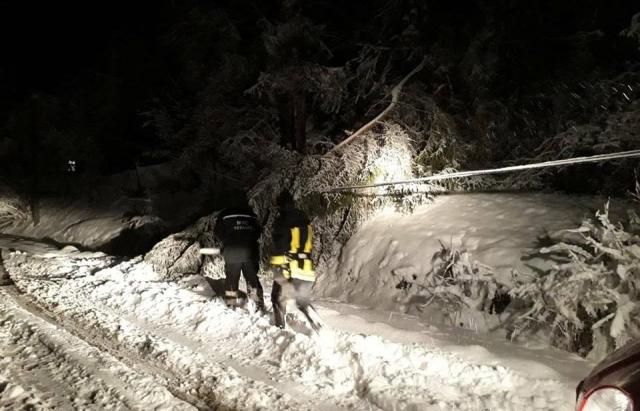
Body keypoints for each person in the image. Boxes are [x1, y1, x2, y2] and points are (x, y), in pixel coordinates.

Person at [269, 191, 323, 331]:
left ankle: (279, 330)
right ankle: (319, 326)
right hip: (306, 267)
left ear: (279, 205)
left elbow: (280, 246)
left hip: (289, 267)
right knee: (302, 301)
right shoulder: (304, 218)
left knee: (277, 299)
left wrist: (277, 270)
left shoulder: (282, 221)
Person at [214, 200, 264, 310]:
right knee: (252, 279)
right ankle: (257, 304)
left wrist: (228, 240)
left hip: (232, 252)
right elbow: (258, 232)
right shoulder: (251, 215)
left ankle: (231, 304)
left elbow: (217, 232)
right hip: (250, 252)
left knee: (231, 280)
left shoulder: (225, 215)